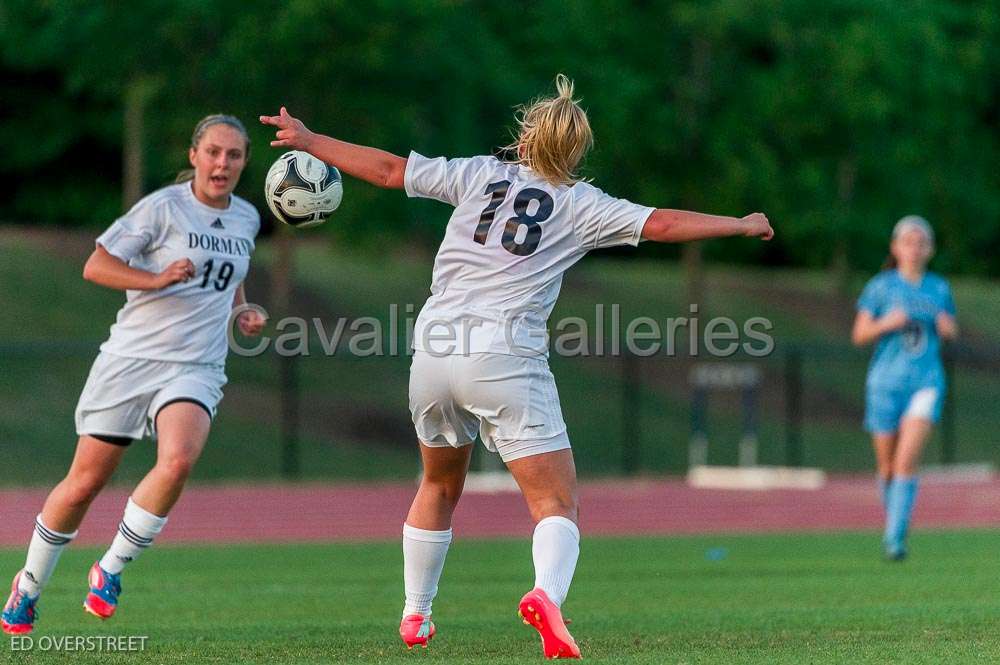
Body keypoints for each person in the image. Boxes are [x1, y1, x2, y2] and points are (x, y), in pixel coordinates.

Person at [261, 74, 773, 659]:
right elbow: (660, 224)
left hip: (433, 346)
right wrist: (739, 223)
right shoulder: (583, 205)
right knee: (555, 504)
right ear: (575, 152)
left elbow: (386, 170)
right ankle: (546, 596)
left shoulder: (479, 174)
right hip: (502, 350)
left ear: (525, 140)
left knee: (438, 482)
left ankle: (415, 614)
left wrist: (309, 137)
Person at [1, 115, 266, 635]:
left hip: (196, 366)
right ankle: (28, 586)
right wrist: (156, 277)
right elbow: (96, 266)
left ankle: (111, 567)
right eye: (213, 152)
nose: (222, 164)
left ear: (243, 163)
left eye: (233, 156)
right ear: (193, 155)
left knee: (178, 461)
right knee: (83, 486)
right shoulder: (163, 208)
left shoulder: (247, 219)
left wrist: (243, 311)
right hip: (131, 361)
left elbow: (231, 277)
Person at [852, 215, 958, 561]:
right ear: (895, 247)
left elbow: (951, 329)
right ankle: (894, 524)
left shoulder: (938, 288)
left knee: (906, 461)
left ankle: (895, 539)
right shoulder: (881, 286)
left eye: (920, 242)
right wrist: (887, 323)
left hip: (924, 382)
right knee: (886, 466)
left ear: (930, 249)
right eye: (907, 242)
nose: (913, 249)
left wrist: (946, 328)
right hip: (884, 384)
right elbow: (860, 334)